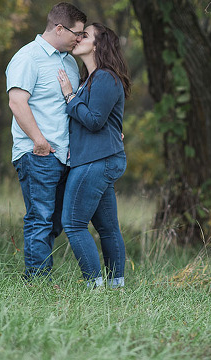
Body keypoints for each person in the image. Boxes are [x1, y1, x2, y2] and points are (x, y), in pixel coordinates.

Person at [6, 2, 87, 280]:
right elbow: (17, 101)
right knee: (40, 218)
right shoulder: (28, 57)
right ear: (59, 28)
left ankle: (38, 273)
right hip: (38, 154)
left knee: (55, 222)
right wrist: (38, 140)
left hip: (65, 156)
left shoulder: (69, 61)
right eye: (77, 33)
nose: (80, 38)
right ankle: (37, 280)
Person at [57, 23, 131, 289]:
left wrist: (69, 96)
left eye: (84, 35)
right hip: (97, 157)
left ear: (98, 45)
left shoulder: (104, 77)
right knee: (108, 228)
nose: (78, 38)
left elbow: (95, 121)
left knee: (73, 224)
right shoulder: (91, 78)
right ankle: (115, 286)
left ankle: (94, 285)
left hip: (96, 160)